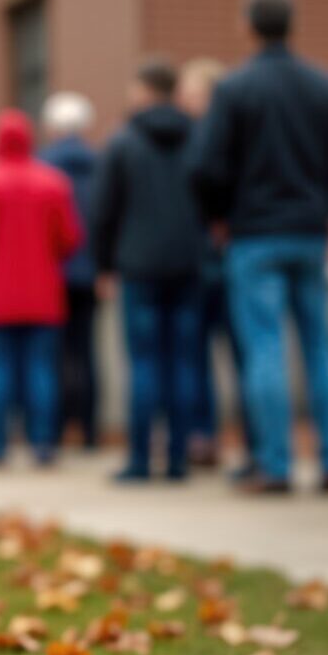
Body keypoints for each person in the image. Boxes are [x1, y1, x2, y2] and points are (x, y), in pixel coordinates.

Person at [188, 0, 328, 495]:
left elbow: (205, 165)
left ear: (248, 26)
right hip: (308, 232)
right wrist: (325, 211)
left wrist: (218, 216)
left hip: (254, 235)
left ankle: (275, 465)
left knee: (264, 349)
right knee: (321, 347)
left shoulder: (235, 90)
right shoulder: (327, 87)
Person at [94, 59, 207, 482]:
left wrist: (104, 264)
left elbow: (103, 210)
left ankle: (141, 459)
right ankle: (177, 459)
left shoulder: (122, 142)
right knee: (182, 362)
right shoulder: (198, 136)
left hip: (138, 266)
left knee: (143, 363)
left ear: (142, 90)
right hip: (188, 263)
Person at [0, 110, 83, 465]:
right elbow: (70, 237)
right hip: (43, 292)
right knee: (41, 369)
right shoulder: (53, 182)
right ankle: (43, 443)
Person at [177, 57, 248, 471]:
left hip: (225, 258)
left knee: (236, 353)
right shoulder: (195, 136)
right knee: (202, 356)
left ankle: (238, 439)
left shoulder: (218, 139)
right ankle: (205, 438)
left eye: (192, 94)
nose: (185, 101)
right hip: (204, 261)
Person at [38, 92, 101, 450]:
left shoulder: (43, 167)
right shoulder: (101, 162)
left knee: (57, 354)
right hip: (91, 271)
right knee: (88, 352)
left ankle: (60, 427)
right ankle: (90, 430)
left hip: (54, 273)